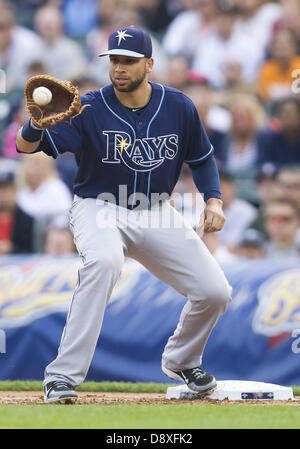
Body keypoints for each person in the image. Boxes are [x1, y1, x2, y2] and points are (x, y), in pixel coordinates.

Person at [16, 26, 232, 404]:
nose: (119, 67)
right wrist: (34, 124)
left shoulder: (178, 105)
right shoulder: (89, 106)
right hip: (99, 206)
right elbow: (24, 147)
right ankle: (62, 377)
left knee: (215, 292)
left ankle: (183, 359)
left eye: (129, 61)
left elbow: (201, 158)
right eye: (114, 59)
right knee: (103, 262)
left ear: (149, 64)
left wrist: (213, 200)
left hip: (156, 211)